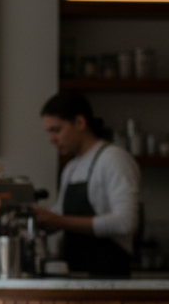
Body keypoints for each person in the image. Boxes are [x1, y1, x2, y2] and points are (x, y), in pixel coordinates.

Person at [33, 92, 140, 276]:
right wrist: (40, 219)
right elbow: (59, 217)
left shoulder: (113, 159)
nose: (51, 139)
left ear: (80, 123)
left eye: (56, 130)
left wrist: (60, 221)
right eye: (49, 132)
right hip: (77, 277)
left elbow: (126, 222)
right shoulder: (71, 168)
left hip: (110, 280)